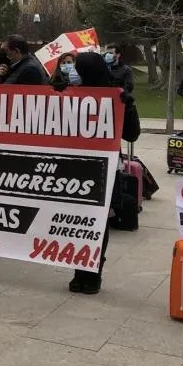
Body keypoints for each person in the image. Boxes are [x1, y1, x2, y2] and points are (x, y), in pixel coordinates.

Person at [63, 52, 120, 294]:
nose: (73, 70)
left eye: (78, 67)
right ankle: (79, 268)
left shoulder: (116, 96)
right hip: (72, 168)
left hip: (102, 169)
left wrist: (127, 107)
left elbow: (132, 134)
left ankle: (94, 270)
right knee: (75, 220)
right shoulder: (67, 93)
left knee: (97, 220)